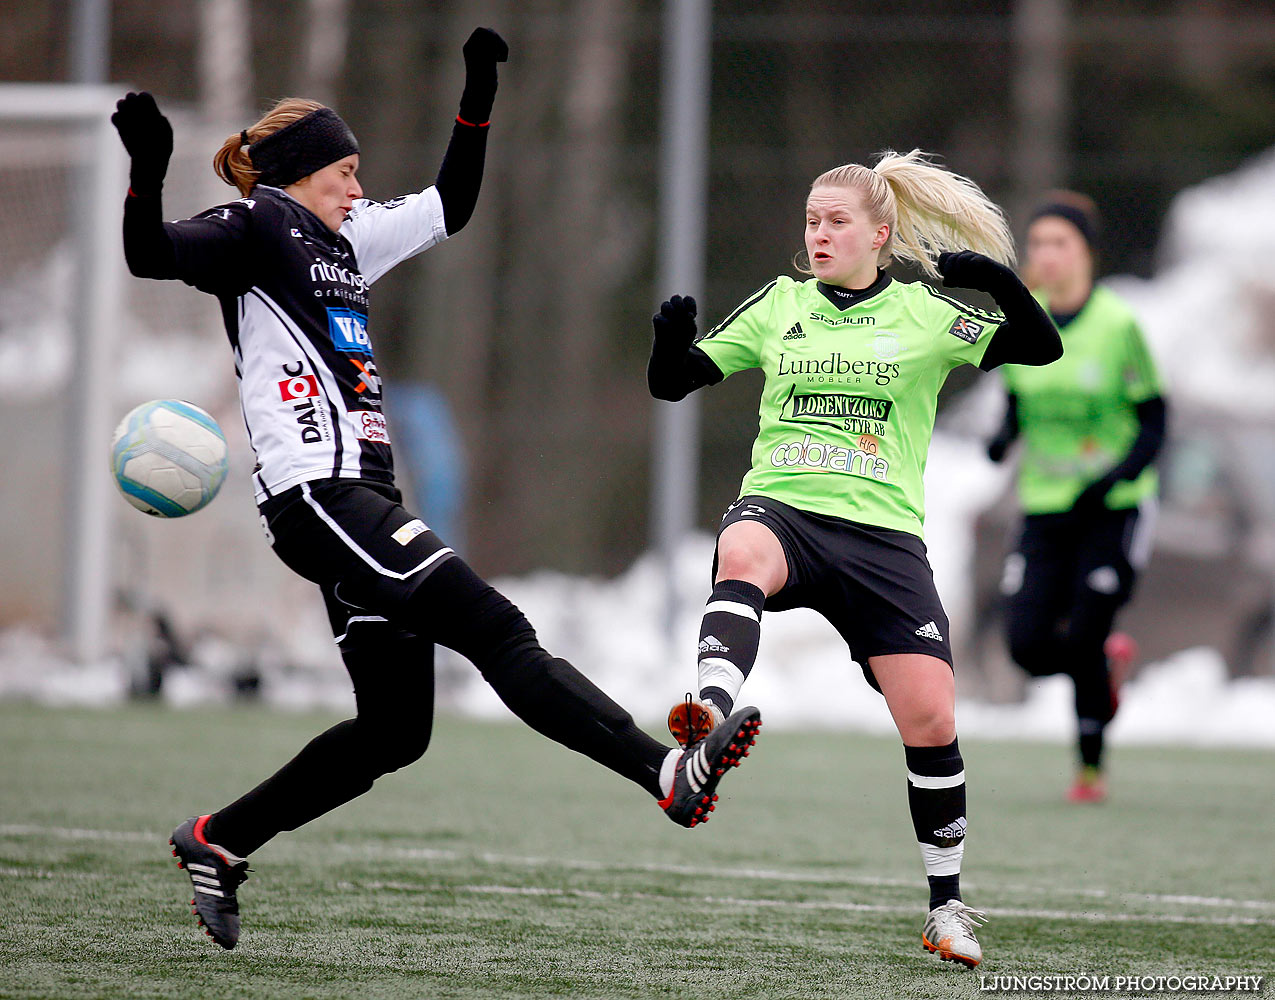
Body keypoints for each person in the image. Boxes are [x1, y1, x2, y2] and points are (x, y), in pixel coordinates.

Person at [111, 28, 761, 952]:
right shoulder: (254, 226)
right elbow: (146, 253)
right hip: (321, 499)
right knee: (498, 629)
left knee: (394, 732)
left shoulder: (346, 241)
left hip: (360, 504)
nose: (358, 185)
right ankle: (664, 774)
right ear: (302, 172)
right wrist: (148, 169)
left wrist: (478, 91)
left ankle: (216, 839)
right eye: (345, 169)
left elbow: (452, 201)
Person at [649, 150, 1064, 968]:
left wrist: (995, 281)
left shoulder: (923, 314)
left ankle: (946, 909)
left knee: (931, 718)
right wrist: (669, 340)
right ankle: (705, 712)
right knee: (741, 547)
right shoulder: (780, 304)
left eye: (837, 220)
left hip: (880, 538)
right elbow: (673, 384)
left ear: (880, 234)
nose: (820, 233)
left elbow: (1039, 348)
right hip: (787, 506)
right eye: (811, 220)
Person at [985, 192, 1166, 804]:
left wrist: (1112, 480)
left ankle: (1090, 770)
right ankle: (1104, 668)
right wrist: (1002, 437)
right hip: (1045, 505)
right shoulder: (1024, 322)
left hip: (1114, 509)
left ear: (1086, 252)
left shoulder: (1118, 325)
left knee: (1086, 630)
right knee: (1026, 646)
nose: (1046, 256)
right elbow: (1017, 397)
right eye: (1037, 244)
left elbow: (1155, 421)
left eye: (1059, 243)